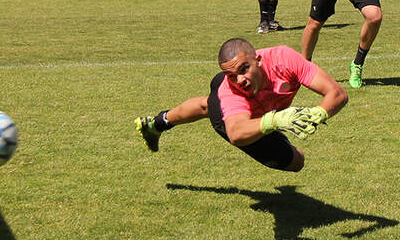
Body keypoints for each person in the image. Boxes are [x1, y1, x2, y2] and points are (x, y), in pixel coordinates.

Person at [133, 38, 348, 172]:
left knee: (207, 105)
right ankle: (158, 124)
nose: (240, 80)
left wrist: (319, 114)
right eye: (231, 74)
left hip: (257, 111)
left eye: (244, 69)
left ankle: (157, 124)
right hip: (243, 121)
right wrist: (275, 120)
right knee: (296, 161)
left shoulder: (284, 58)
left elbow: (336, 93)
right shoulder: (230, 88)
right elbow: (236, 133)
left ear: (259, 60)